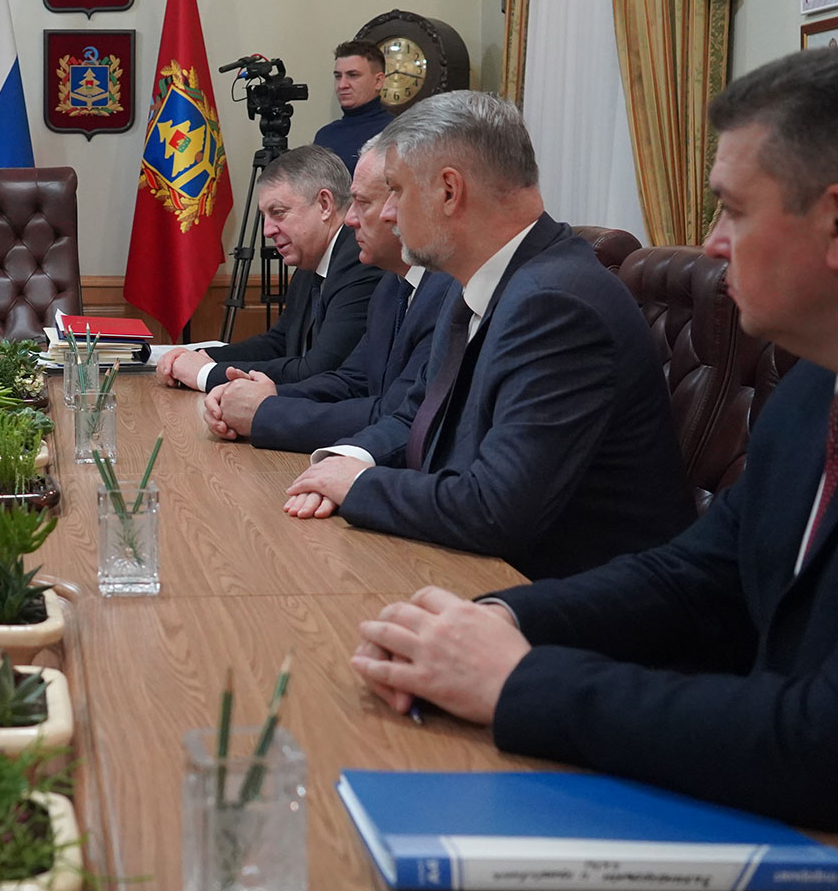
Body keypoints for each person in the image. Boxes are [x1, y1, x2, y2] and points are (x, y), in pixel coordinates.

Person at [349, 46, 838, 891]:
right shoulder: (828, 370)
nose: (711, 244)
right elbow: (699, 577)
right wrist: (496, 621)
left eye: (731, 209)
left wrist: (517, 682)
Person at [283, 91, 692, 579]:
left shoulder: (556, 305)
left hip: (565, 593)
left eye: (395, 190)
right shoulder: (481, 282)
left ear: (448, 191)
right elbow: (417, 415)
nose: (386, 213)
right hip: (477, 567)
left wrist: (359, 486)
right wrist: (342, 464)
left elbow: (496, 509)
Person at [204, 140, 456, 453]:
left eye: (363, 203)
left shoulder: (446, 291)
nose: (349, 219)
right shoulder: (391, 286)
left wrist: (263, 412)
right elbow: (351, 381)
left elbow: (398, 415)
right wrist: (258, 397)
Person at [156, 145, 380, 392]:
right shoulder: (310, 261)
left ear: (324, 204)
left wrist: (205, 373)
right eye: (265, 216)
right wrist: (199, 356)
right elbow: (279, 343)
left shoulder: (360, 261)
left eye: (278, 213)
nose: (267, 231)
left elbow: (318, 370)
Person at [312, 40, 393, 173]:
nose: (342, 85)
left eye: (353, 75)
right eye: (338, 76)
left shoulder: (394, 133)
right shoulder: (324, 136)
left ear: (378, 81)